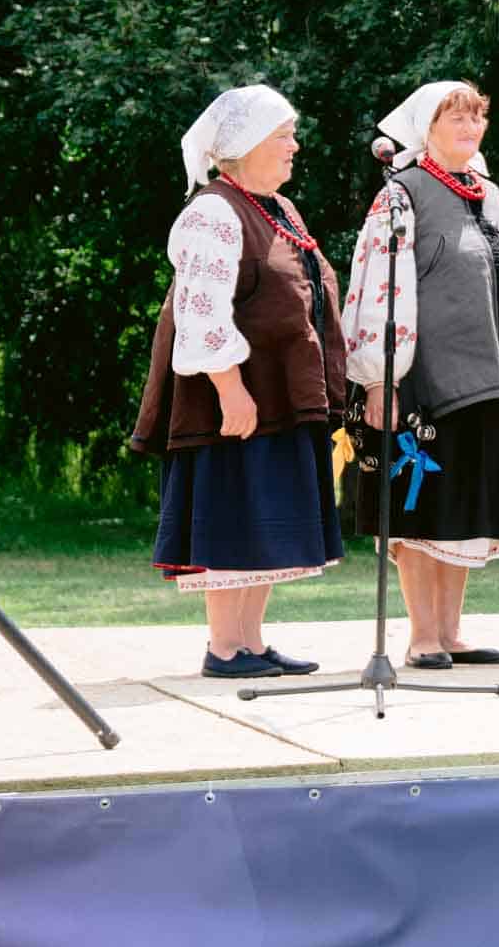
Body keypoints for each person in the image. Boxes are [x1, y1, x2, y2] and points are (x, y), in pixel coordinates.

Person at [340, 81, 499, 669]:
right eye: (456, 119)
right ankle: (421, 636)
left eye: (476, 118)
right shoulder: (402, 193)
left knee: (465, 504)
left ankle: (450, 631)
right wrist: (377, 378)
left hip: (491, 375)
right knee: (424, 503)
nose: (470, 128)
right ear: (426, 127)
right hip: (427, 378)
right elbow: (376, 285)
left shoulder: (490, 193)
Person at [131, 85, 344, 679]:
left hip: (277, 394)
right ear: (246, 145)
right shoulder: (213, 212)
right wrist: (230, 390)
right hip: (236, 398)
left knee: (266, 520)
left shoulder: (277, 208)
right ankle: (224, 647)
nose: (294, 147)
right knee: (234, 512)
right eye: (283, 136)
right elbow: (200, 309)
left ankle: (250, 642)